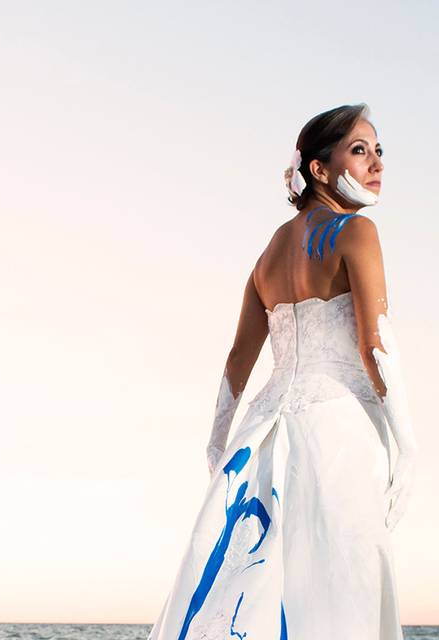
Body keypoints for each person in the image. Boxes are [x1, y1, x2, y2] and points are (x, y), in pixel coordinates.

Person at [147, 103, 419, 640]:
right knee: (339, 584)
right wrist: (407, 445)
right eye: (359, 151)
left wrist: (217, 444)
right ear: (319, 170)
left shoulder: (268, 254)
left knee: (256, 589)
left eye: (379, 150)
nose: (377, 164)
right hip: (335, 430)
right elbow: (375, 344)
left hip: (262, 434)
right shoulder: (355, 231)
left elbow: (237, 361)